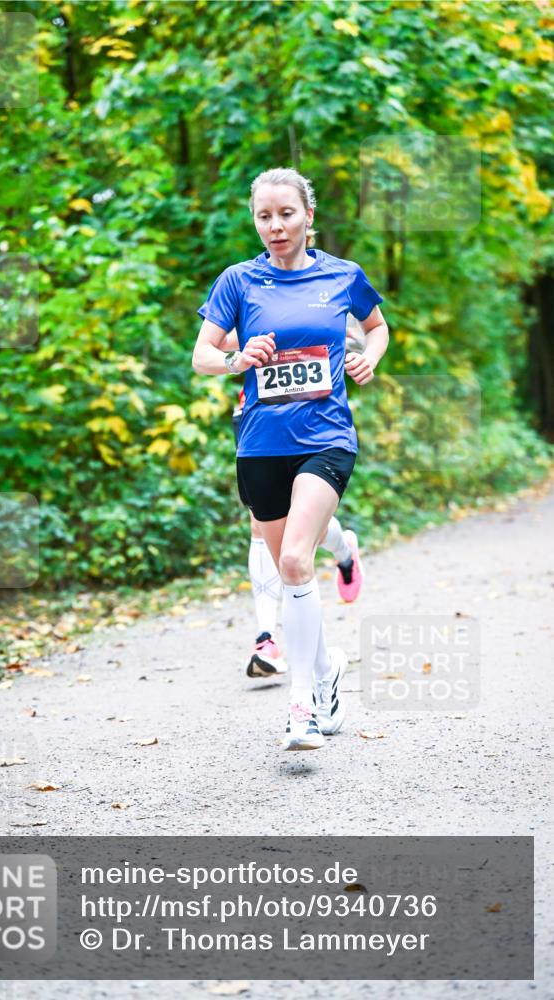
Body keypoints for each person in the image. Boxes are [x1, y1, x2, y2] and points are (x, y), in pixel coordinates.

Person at [193, 167, 388, 751]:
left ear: (308, 216)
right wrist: (237, 359)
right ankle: (327, 670)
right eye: (264, 216)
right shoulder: (238, 281)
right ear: (255, 221)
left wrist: (369, 357)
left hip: (326, 437)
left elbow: (377, 328)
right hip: (260, 444)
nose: (275, 226)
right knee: (287, 572)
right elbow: (202, 355)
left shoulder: (342, 275)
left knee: (298, 561)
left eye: (286, 214)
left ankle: (301, 706)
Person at [225, 370, 365, 681]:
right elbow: (211, 349)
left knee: (302, 528)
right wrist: (241, 353)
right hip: (257, 410)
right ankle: (266, 641)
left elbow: (358, 343)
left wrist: (361, 358)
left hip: (314, 416)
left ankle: (344, 551)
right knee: (261, 522)